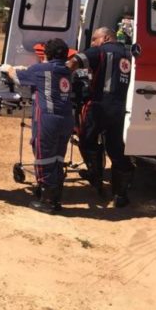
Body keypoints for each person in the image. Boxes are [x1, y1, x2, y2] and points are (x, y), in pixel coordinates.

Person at [1, 38, 75, 214]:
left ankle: (47, 201)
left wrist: (8, 68)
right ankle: (55, 196)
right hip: (66, 120)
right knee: (58, 157)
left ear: (46, 54)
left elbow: (17, 77)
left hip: (47, 121)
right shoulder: (67, 70)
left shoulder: (41, 69)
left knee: (43, 157)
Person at [66, 27, 134, 207]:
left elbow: (75, 61)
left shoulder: (101, 50)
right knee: (117, 148)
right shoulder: (128, 53)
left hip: (98, 105)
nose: (92, 43)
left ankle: (95, 176)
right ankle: (121, 194)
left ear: (105, 37)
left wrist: (61, 76)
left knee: (86, 139)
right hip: (121, 108)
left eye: (95, 39)